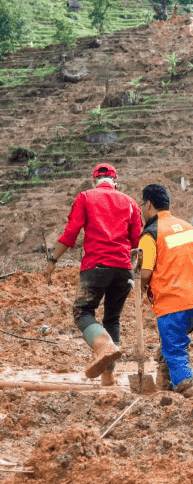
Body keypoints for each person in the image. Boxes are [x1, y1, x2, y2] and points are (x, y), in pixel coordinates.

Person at [45, 163, 143, 386]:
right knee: (112, 318)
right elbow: (137, 242)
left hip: (96, 266)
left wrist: (53, 260)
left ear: (94, 180)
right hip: (123, 268)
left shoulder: (86, 197)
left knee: (82, 311)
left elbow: (71, 233)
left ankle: (103, 346)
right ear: (115, 181)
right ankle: (108, 377)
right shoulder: (130, 202)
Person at [138, 184, 193, 398]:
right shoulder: (187, 227)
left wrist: (138, 285)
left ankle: (187, 386)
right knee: (173, 338)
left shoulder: (150, 235)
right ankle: (166, 380)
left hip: (173, 299)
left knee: (174, 345)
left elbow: (145, 273)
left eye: (142, 204)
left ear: (148, 204)